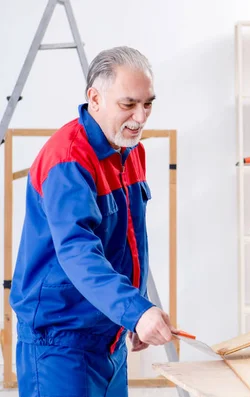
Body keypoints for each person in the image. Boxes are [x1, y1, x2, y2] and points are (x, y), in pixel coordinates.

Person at [10, 46, 176, 396]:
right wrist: (134, 310)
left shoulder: (130, 151)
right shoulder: (68, 160)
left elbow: (129, 240)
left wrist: (133, 311)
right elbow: (77, 251)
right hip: (59, 343)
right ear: (95, 98)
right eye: (128, 104)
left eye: (148, 104)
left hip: (108, 334)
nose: (141, 117)